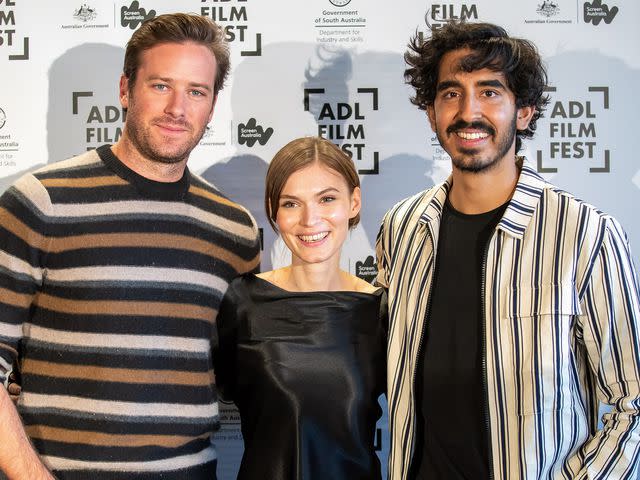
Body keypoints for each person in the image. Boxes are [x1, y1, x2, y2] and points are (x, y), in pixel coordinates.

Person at [376, 21, 640, 480]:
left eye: (490, 92)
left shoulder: (585, 234)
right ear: (432, 111)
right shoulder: (402, 227)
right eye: (451, 93)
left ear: (525, 112)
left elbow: (631, 406)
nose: (468, 111)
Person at [0, 13, 260, 479]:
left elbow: (243, 378)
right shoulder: (41, 202)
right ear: (125, 90)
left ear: (212, 105)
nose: (178, 108)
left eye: (196, 92)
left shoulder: (234, 232)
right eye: (161, 86)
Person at [214, 136, 387, 480]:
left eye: (327, 199)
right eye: (291, 204)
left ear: (354, 203)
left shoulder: (380, 311)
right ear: (274, 211)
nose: (310, 219)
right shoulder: (242, 303)